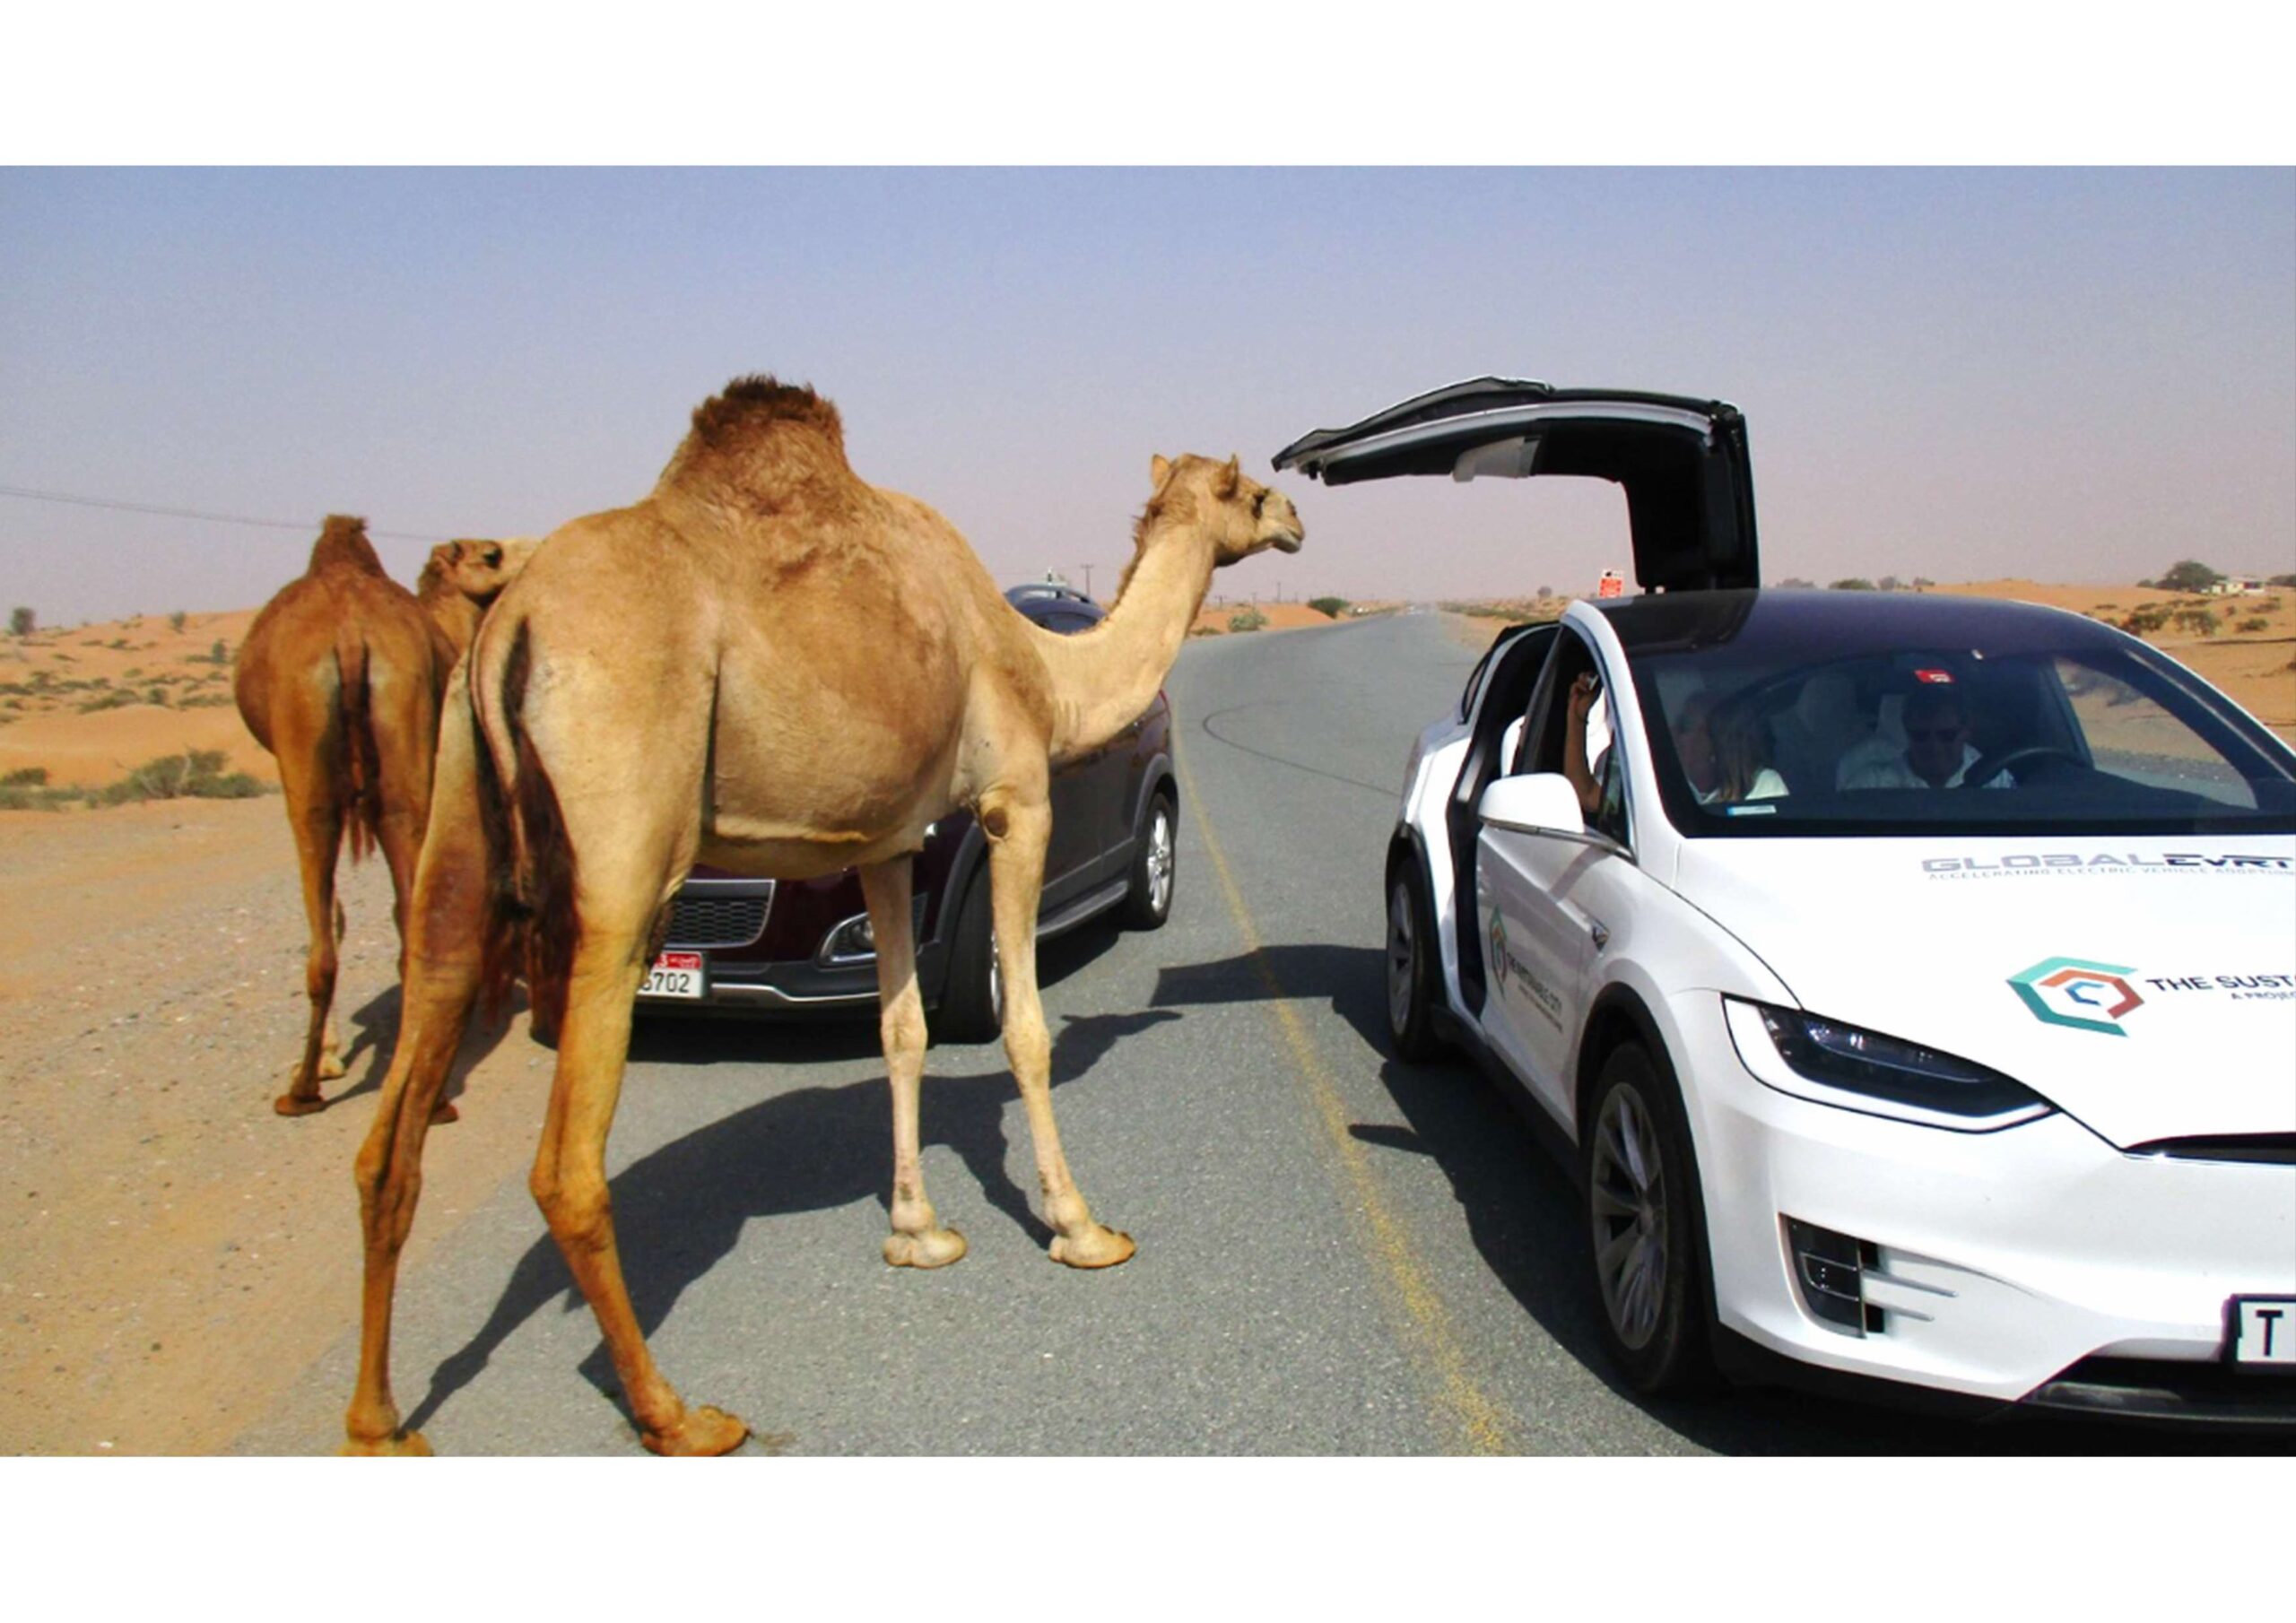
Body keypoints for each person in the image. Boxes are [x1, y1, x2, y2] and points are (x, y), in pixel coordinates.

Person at [1563, 673, 1785, 820]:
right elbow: (1587, 795)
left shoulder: (1765, 786)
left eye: (1684, 726)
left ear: (1715, 745)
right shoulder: (1660, 779)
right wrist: (1577, 717)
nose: (1674, 732)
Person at [1838, 685, 2013, 789]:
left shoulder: (1995, 778)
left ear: (1965, 731)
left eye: (1946, 735)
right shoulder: (1870, 785)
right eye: (1920, 735)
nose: (1934, 747)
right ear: (1906, 731)